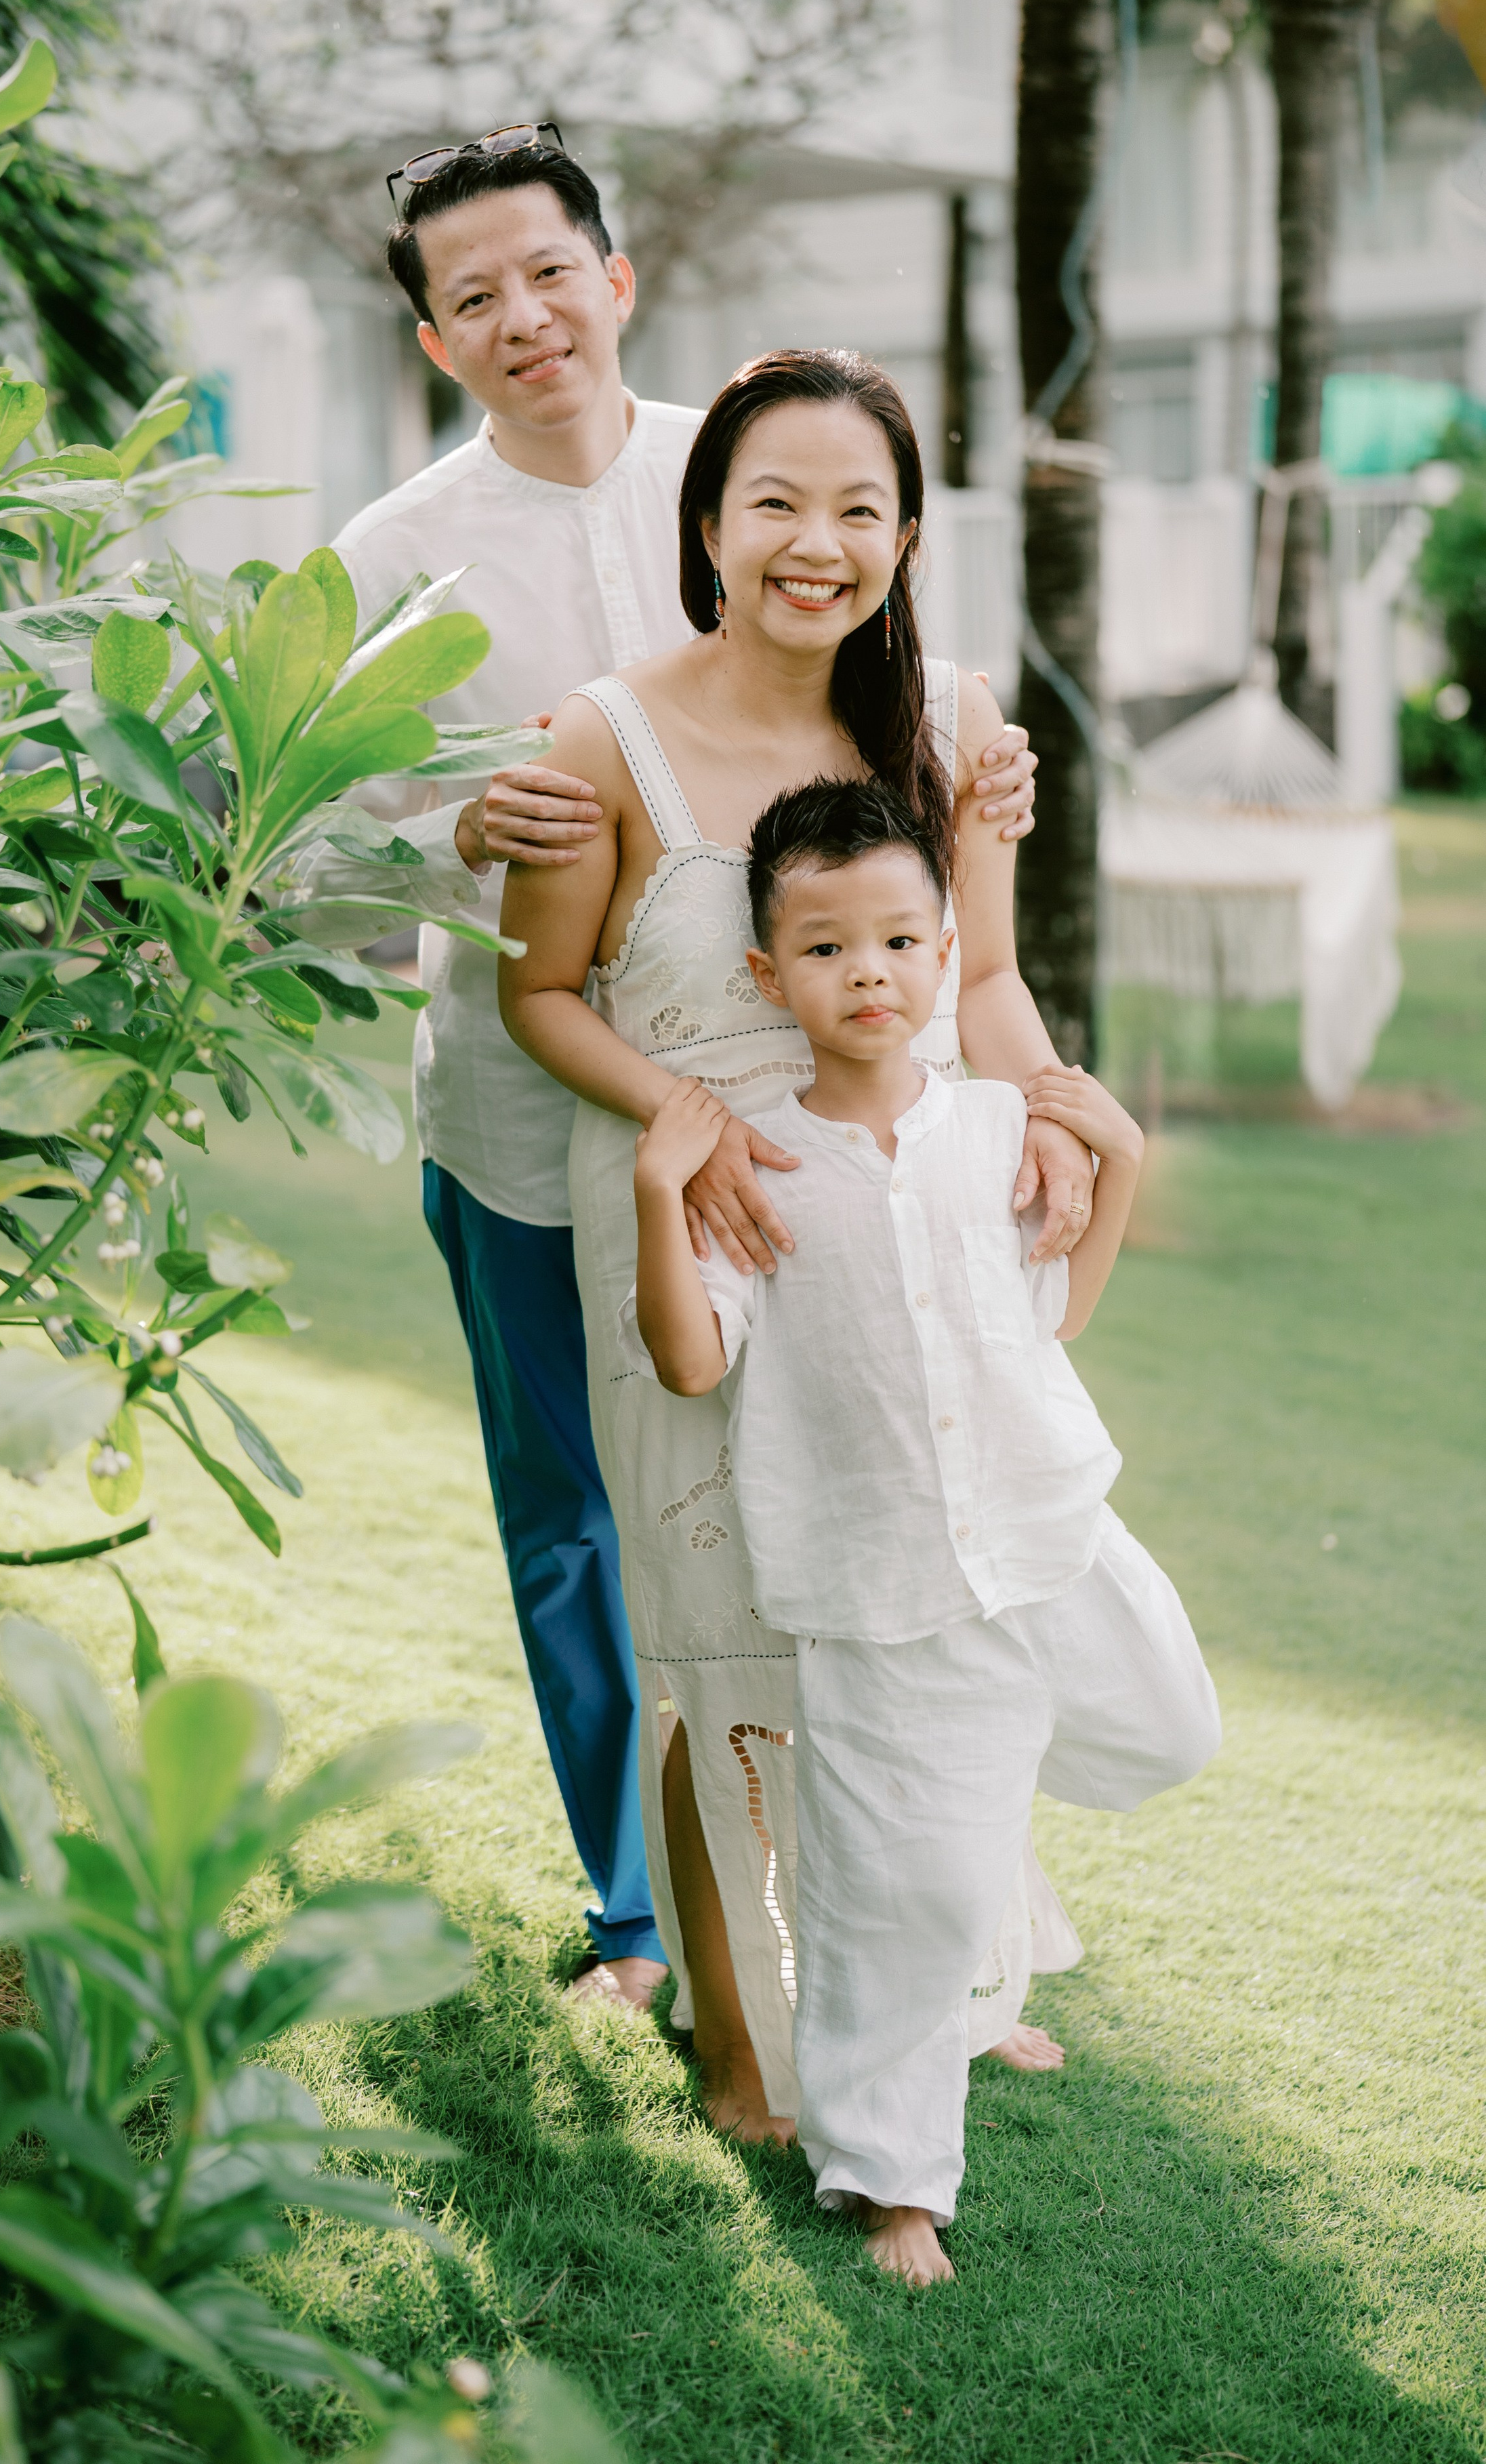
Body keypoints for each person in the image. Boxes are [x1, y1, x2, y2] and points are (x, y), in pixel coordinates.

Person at [294, 134, 1052, 2016]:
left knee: (836, 1512)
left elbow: (860, 657)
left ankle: (876, 1915)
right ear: (433, 336)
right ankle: (641, 1917)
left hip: (789, 1118)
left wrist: (979, 776)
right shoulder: (384, 565)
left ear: (616, 277)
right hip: (524, 1116)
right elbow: (286, 859)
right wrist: (452, 837)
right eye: (474, 296)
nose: (522, 315)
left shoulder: (737, 468)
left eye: (549, 271)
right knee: (579, 1523)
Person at [498, 347, 1095, 2141]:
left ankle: (950, 1982)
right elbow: (539, 991)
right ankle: (744, 2042)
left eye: (859, 508)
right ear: (707, 526)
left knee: (933, 1618)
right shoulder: (601, 735)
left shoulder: (952, 727)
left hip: (904, 1246)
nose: (815, 542)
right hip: (704, 1233)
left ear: (908, 537)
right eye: (775, 502)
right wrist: (690, 1130)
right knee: (717, 1644)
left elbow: (978, 981)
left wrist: (1053, 1111)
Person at [627, 775, 1222, 2284]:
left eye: (898, 940)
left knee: (1168, 1730)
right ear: (771, 978)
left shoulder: (992, 1127)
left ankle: (976, 1843)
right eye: (826, 950)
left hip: (1043, 1527)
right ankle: (893, 2182)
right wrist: (652, 1187)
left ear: (943, 948)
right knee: (899, 1895)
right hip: (873, 1580)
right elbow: (696, 1357)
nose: (868, 973)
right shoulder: (747, 1161)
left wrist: (1124, 1162)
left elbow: (1056, 1319)